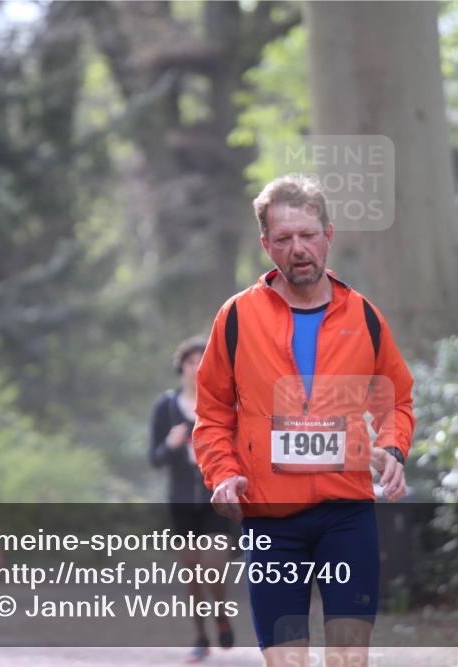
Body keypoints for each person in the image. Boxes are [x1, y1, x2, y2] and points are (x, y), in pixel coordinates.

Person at [193, 175, 415, 667]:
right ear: (265, 244)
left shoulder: (365, 317)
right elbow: (211, 415)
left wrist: (394, 448)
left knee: (349, 658)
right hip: (271, 522)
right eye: (285, 238)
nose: (298, 249)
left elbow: (396, 399)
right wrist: (224, 473)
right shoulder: (235, 319)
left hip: (347, 515)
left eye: (308, 235)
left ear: (328, 236)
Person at [150, 336, 236, 663]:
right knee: (193, 573)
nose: (197, 366)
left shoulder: (223, 404)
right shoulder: (166, 407)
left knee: (213, 564)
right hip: (182, 501)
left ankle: (221, 613)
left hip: (218, 497)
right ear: (181, 367)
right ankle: (200, 635)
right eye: (191, 361)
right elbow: (155, 459)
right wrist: (172, 445)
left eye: (204, 360)